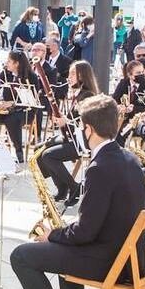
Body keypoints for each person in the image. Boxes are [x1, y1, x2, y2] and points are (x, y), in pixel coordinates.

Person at [9, 94, 145, 289]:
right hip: (125, 256)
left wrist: (53, 234)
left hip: (108, 261)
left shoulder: (100, 167)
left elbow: (85, 233)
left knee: (21, 256)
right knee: (61, 243)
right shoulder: (128, 158)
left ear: (89, 129)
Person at [39, 61, 102, 207]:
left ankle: (73, 187)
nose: (69, 77)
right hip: (73, 138)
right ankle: (62, 189)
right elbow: (72, 118)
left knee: (48, 155)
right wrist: (61, 118)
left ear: (82, 75)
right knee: (41, 148)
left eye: (73, 73)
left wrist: (65, 121)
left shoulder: (87, 96)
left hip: (83, 142)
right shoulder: (77, 93)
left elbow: (85, 122)